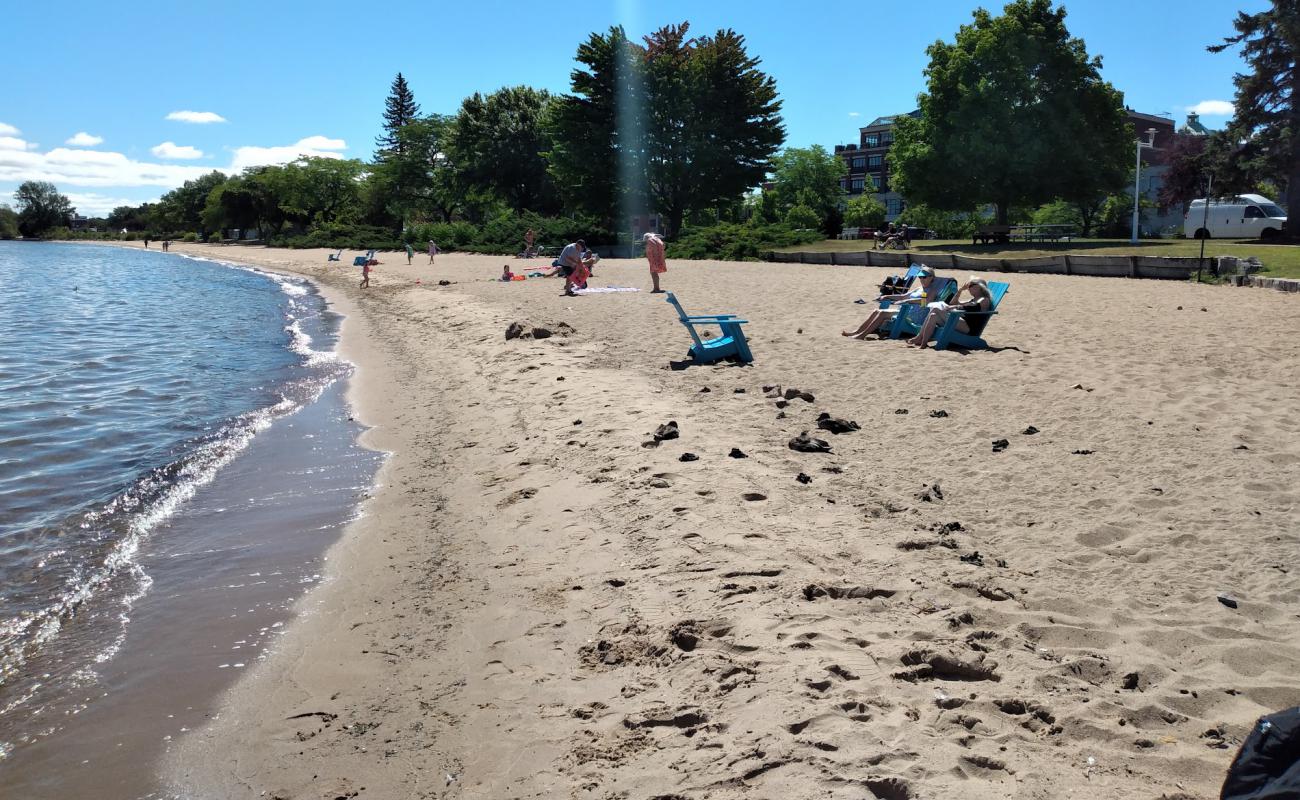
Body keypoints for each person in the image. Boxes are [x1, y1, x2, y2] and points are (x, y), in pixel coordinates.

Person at [841, 265, 938, 339]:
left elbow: (925, 302)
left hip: (914, 317)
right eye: (920, 277)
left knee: (882, 313)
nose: (921, 279)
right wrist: (887, 296)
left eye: (924, 277)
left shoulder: (932, 290)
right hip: (906, 312)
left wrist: (909, 300)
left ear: (931, 277)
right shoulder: (919, 288)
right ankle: (856, 332)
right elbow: (902, 296)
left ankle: (862, 335)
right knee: (876, 311)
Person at [907, 276, 993, 348]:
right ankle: (923, 343)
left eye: (971, 286)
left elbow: (972, 307)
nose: (968, 288)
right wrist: (960, 291)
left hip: (969, 327)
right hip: (960, 322)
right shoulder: (974, 299)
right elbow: (953, 302)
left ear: (979, 287)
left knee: (935, 309)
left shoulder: (983, 299)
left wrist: (955, 307)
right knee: (933, 315)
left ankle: (919, 338)